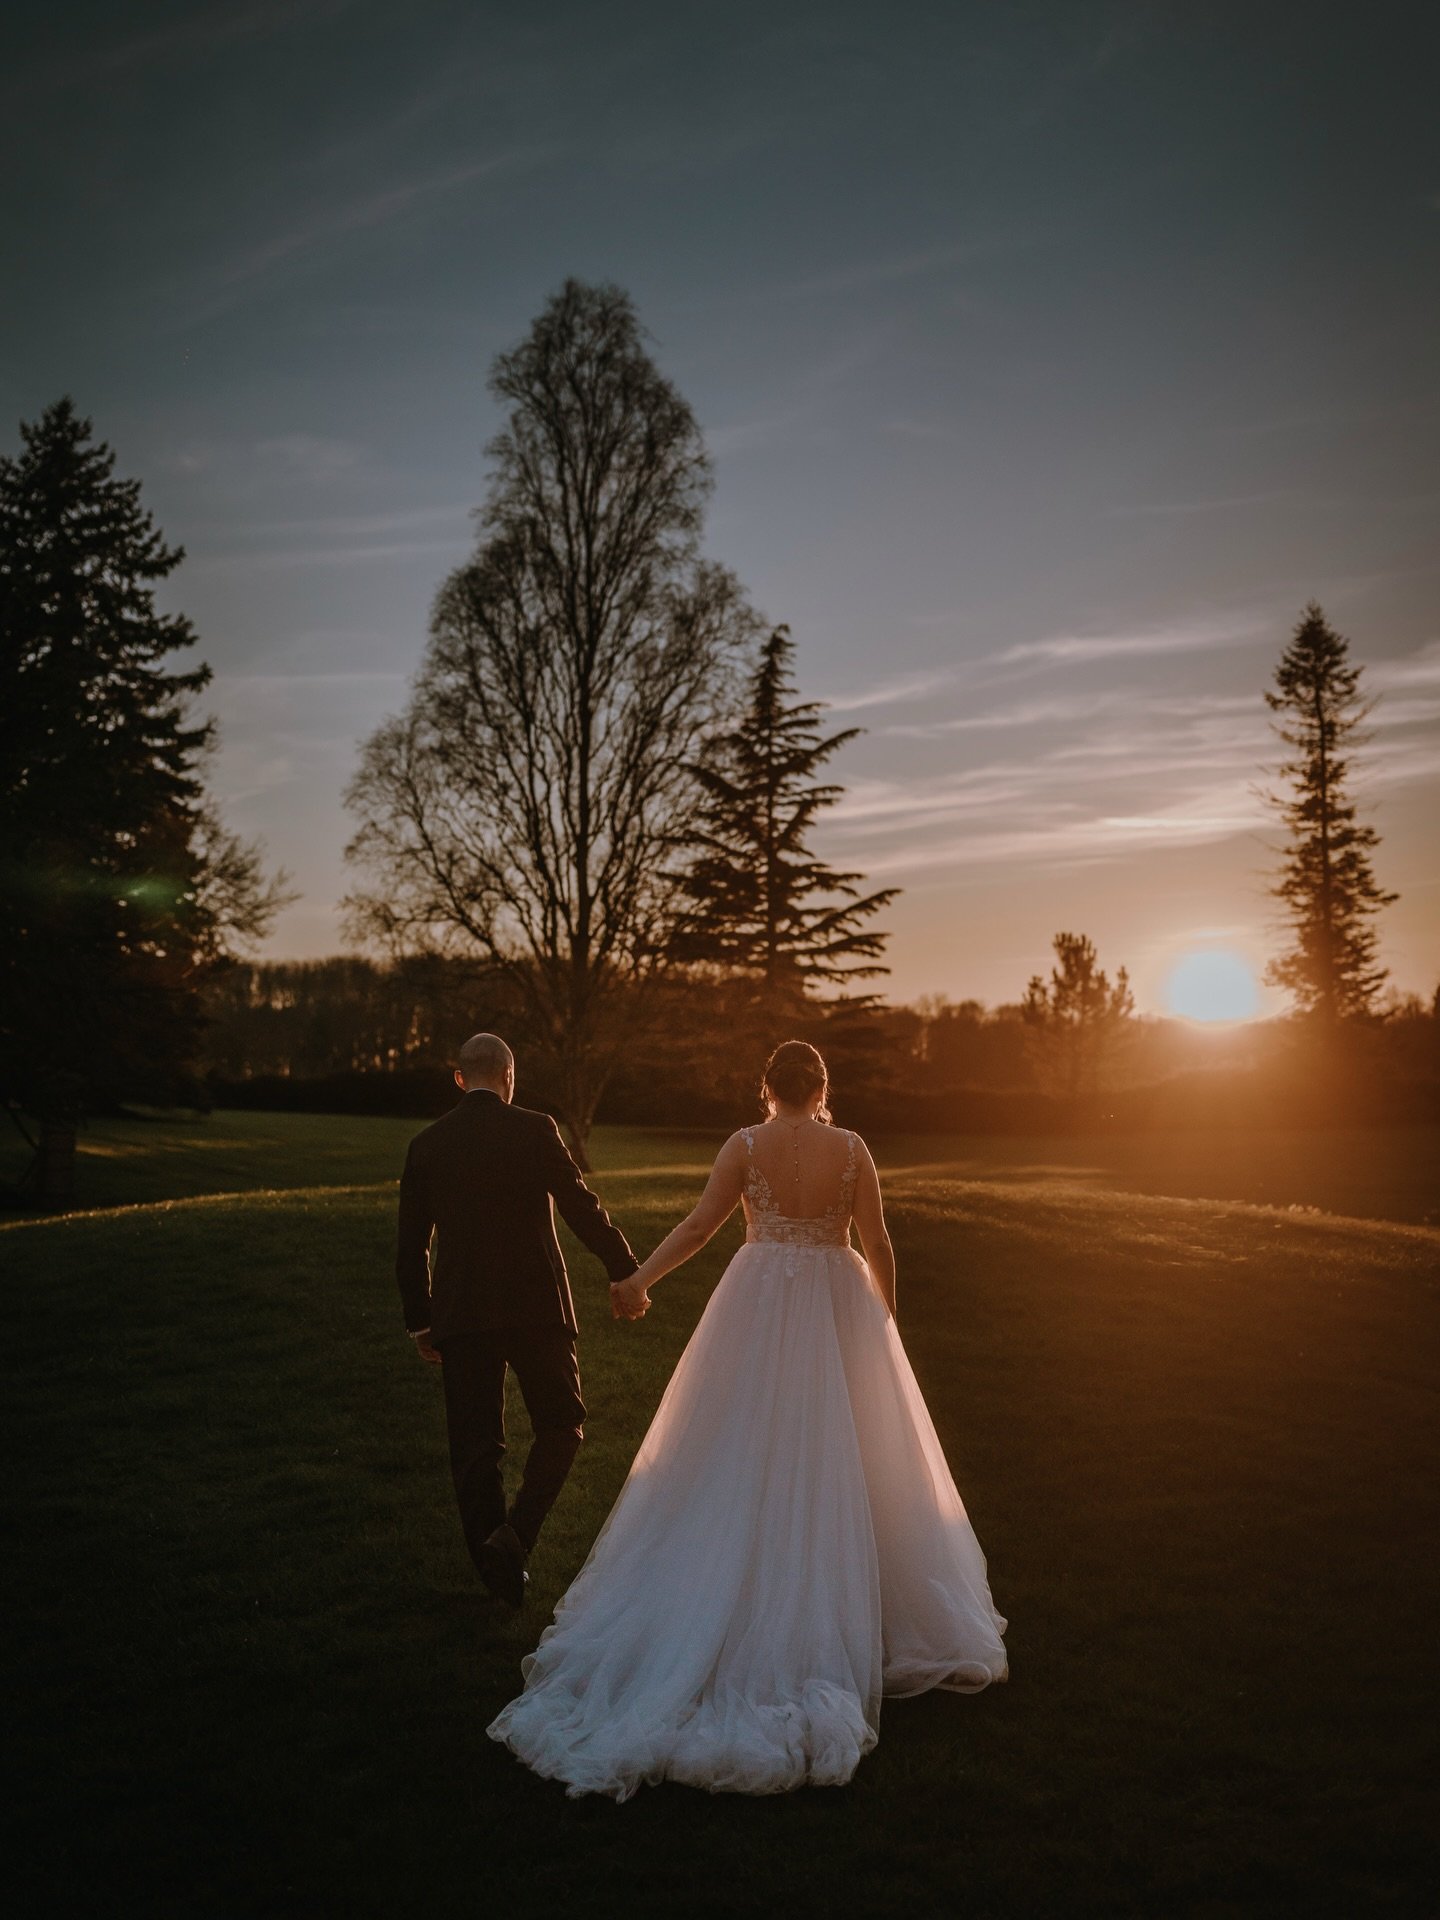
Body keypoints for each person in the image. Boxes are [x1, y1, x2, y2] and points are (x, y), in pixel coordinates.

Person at [487, 1039, 1008, 1798]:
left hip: (757, 1300)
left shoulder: (744, 1144)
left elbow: (701, 1227)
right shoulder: (853, 1147)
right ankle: (862, 1608)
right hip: (837, 1303)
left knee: (734, 1448)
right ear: (822, 1087)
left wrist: (638, 1281)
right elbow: (879, 1242)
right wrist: (882, 1326)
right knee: (854, 1455)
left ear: (766, 1088)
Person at [396, 1033, 640, 1609]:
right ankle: (516, 1537)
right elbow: (581, 1204)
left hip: (461, 1314)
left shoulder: (426, 1144)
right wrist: (625, 1268)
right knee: (563, 1423)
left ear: (460, 1079)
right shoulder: (535, 1129)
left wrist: (421, 1321)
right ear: (510, 1074)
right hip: (537, 1309)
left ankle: (497, 1576)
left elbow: (410, 1247)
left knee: (476, 1449)